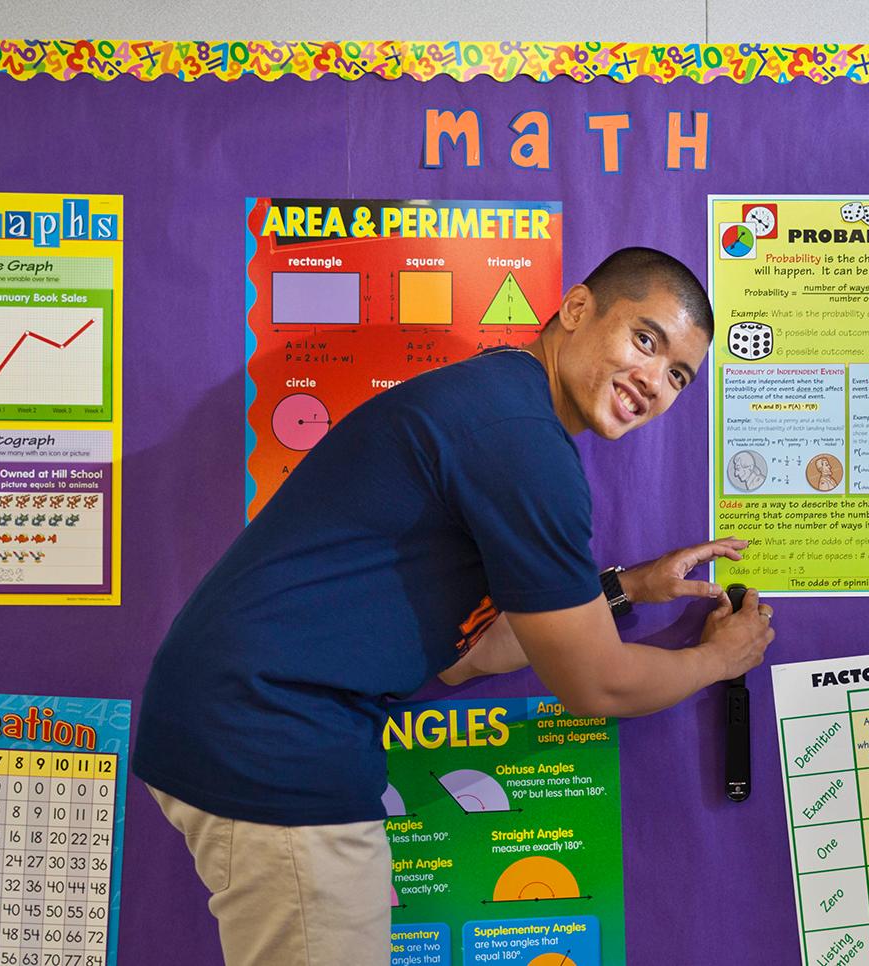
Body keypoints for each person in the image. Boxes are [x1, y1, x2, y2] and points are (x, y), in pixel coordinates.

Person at [132, 247, 776, 966]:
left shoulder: (504, 407)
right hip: (272, 735)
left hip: (238, 721)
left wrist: (631, 588)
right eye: (645, 339)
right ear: (576, 309)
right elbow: (596, 683)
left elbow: (477, 654)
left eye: (677, 375)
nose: (652, 380)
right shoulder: (521, 444)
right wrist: (720, 658)